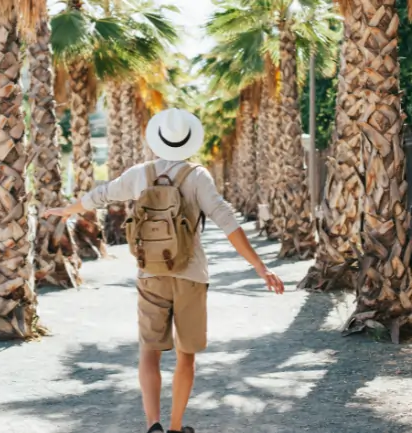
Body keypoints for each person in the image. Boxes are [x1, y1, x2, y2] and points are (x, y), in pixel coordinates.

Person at [44, 108, 285, 433]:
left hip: (150, 273)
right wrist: (261, 267)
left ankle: (152, 425)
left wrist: (70, 209)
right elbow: (227, 222)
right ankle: (175, 427)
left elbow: (102, 195)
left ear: (157, 140)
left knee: (149, 351)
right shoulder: (197, 176)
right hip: (191, 274)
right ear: (189, 142)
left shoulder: (140, 174)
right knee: (186, 355)